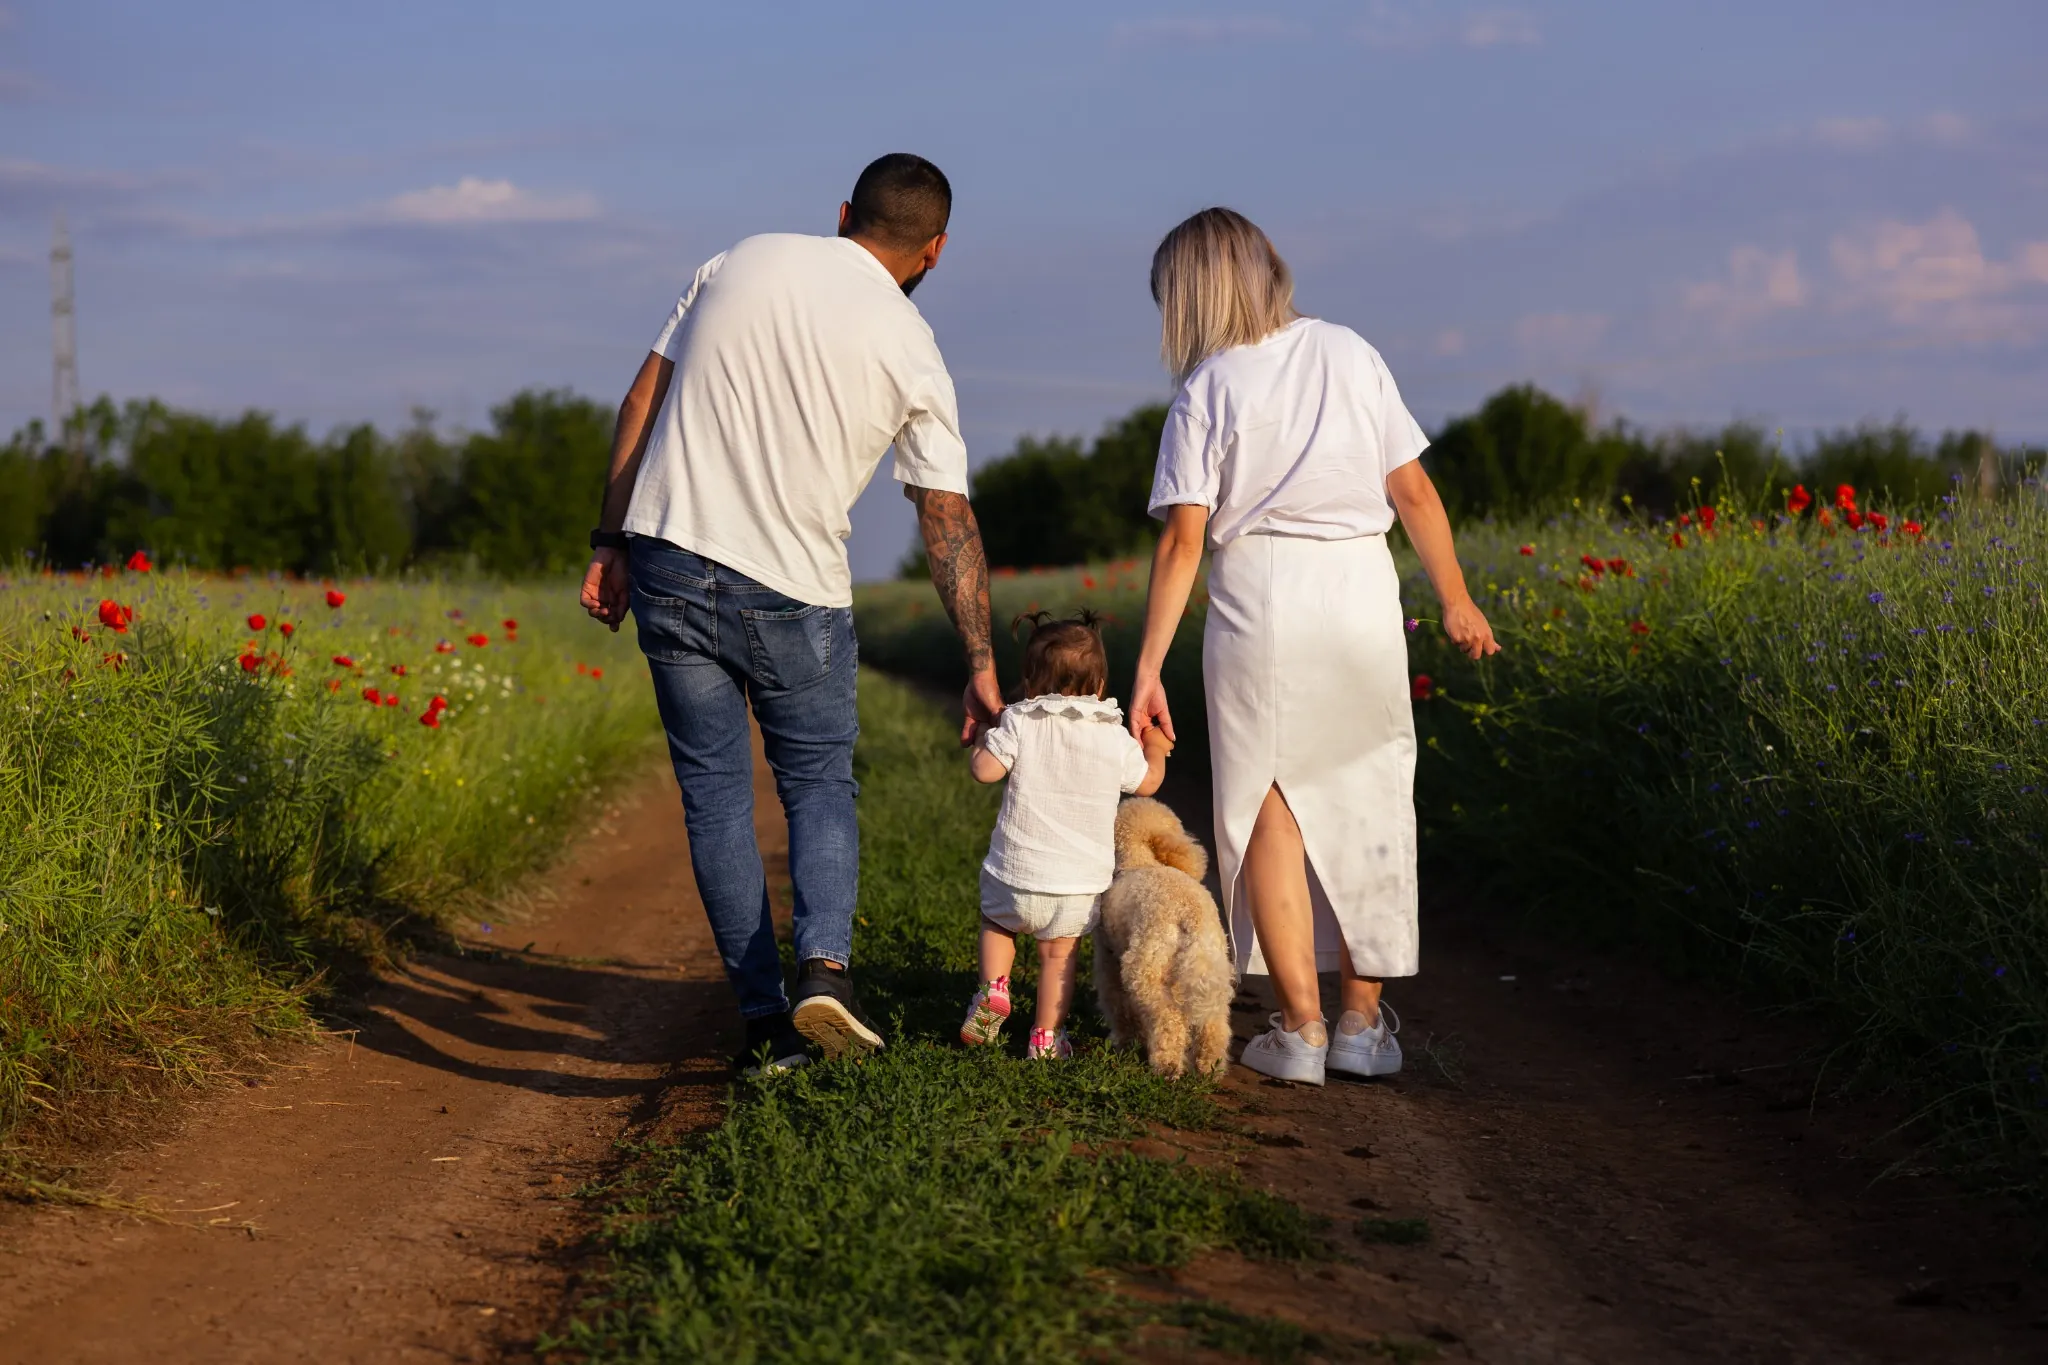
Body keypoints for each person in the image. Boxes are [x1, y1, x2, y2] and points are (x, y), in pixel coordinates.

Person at [579, 153, 1004, 1075]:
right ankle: (826, 969)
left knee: (717, 796)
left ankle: (766, 1026)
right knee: (816, 783)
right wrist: (977, 657)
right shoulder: (911, 342)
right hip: (793, 588)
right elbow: (945, 513)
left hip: (669, 557)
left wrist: (609, 541)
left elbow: (643, 399)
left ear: (845, 211)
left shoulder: (737, 259)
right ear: (935, 251)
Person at [1127, 207, 1499, 1087]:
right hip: (1359, 591)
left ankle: (1299, 1029)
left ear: (1190, 296)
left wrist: (1147, 669)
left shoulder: (1207, 387)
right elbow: (1412, 491)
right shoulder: (1350, 351)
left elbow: (1185, 540)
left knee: (1271, 809)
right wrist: (1455, 597)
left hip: (1260, 596)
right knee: (1370, 796)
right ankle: (1363, 1025)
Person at [962, 612, 1171, 1060]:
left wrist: (983, 734)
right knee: (1058, 957)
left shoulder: (1019, 722)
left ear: (1030, 683)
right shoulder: (1112, 736)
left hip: (1014, 874)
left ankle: (993, 991)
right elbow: (1147, 783)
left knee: (997, 925)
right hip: (1075, 888)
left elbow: (984, 771)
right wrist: (1154, 744)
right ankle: (1045, 1037)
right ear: (1099, 687)